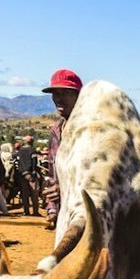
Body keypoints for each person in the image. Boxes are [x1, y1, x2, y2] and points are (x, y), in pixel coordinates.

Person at [41, 69, 82, 230]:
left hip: (88, 214)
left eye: (64, 93)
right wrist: (52, 208)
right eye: (55, 94)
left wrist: (65, 188)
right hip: (65, 214)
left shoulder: (91, 130)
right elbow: (53, 176)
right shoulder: (56, 131)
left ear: (78, 96)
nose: (58, 99)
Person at [13, 135, 40, 216]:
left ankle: (26, 211)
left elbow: (14, 157)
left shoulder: (20, 151)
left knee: (25, 194)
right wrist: (34, 172)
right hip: (31, 175)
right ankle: (35, 211)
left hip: (22, 175)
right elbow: (34, 162)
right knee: (34, 194)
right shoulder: (32, 150)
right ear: (32, 142)